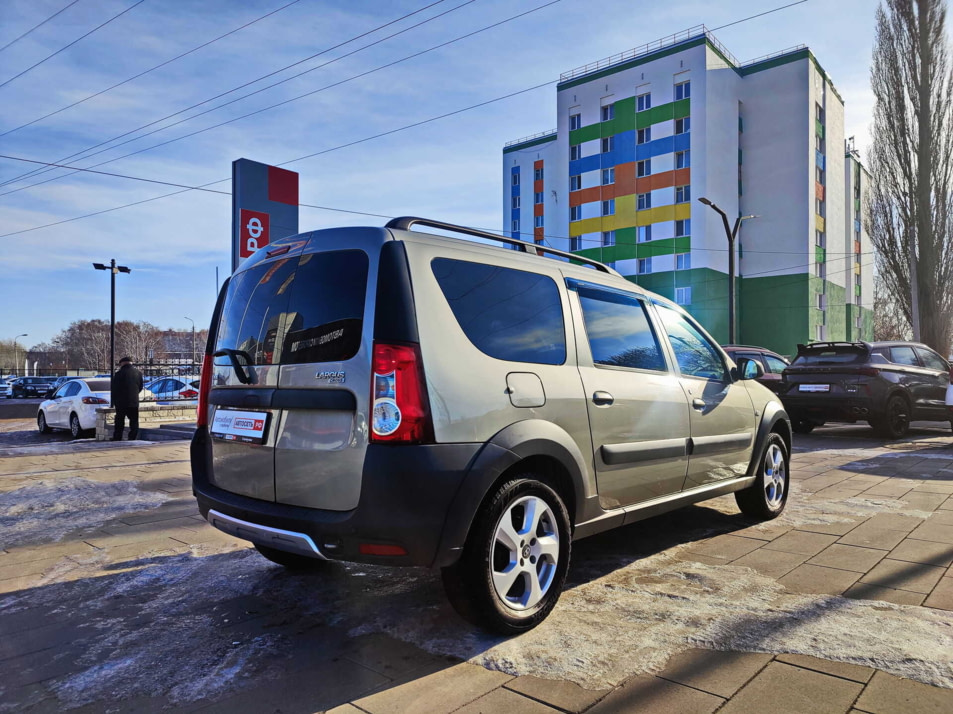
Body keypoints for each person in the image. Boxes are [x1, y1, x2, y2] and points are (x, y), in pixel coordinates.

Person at [111, 356, 143, 441]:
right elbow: (140, 387)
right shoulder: (138, 373)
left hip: (121, 402)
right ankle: (132, 437)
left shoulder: (119, 374)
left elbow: (114, 388)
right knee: (134, 421)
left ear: (123, 363)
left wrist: (115, 400)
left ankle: (117, 437)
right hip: (134, 401)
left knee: (119, 421)